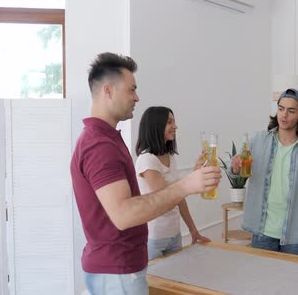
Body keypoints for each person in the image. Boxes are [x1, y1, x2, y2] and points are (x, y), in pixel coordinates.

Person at [70, 52, 221, 295]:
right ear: (107, 90)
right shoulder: (100, 145)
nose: (137, 97)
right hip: (117, 271)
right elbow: (124, 214)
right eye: (131, 90)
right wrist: (185, 186)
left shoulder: (106, 139)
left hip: (119, 268)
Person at [231, 88, 298, 257]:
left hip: (295, 234)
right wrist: (236, 167)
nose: (284, 115)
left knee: (292, 282)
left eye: (291, 111)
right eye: (281, 109)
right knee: (260, 281)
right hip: (262, 231)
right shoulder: (257, 140)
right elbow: (239, 175)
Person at [135, 106, 211, 260]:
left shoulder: (170, 156)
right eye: (169, 122)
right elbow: (167, 199)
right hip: (154, 239)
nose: (175, 126)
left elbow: (179, 197)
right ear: (156, 125)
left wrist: (193, 231)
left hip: (174, 235)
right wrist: (192, 179)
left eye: (174, 121)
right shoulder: (147, 160)